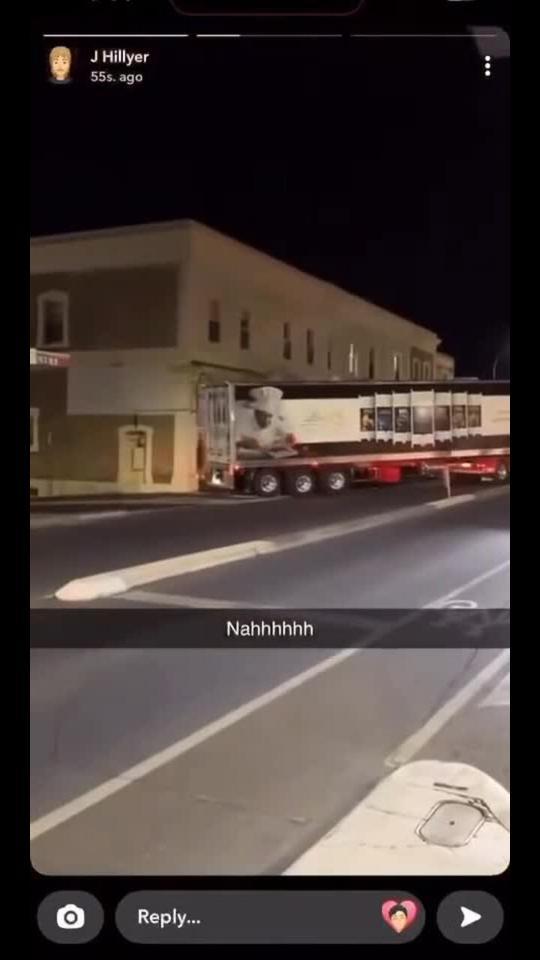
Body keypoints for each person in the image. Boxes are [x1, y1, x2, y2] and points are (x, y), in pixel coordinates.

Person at [235, 386, 296, 456]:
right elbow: (230, 444)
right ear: (256, 413)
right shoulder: (241, 418)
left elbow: (285, 434)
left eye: (270, 416)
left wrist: (288, 437)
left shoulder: (274, 420)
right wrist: (242, 443)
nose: (268, 420)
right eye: (265, 416)